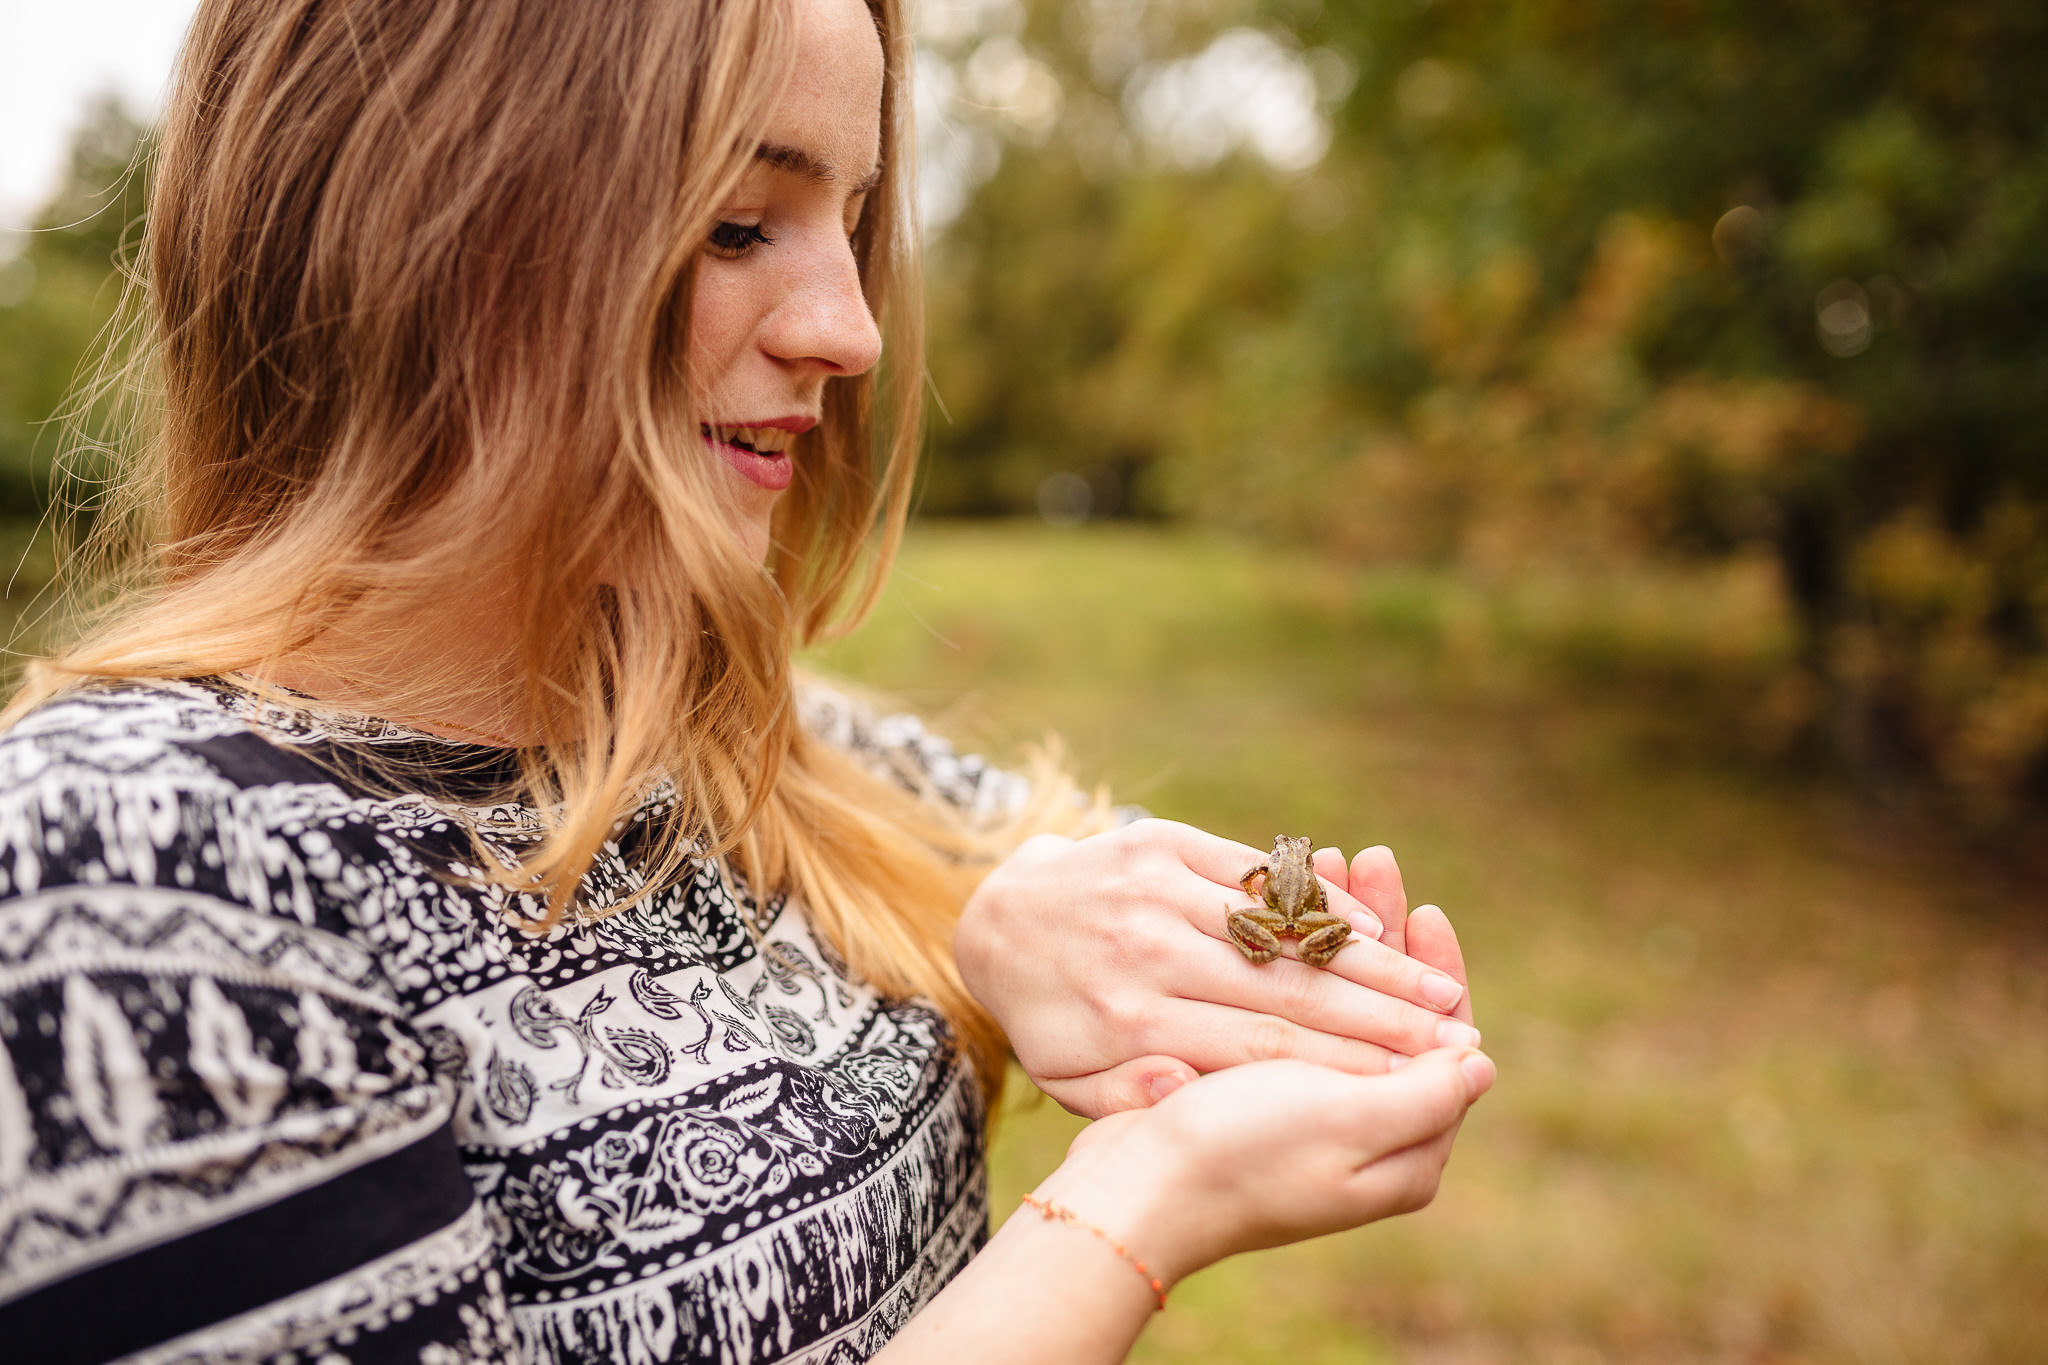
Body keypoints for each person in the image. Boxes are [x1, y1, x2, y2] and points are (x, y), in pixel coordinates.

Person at [0, 0, 1492, 1360]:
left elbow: (1066, 868)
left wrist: (1031, 903)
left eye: (848, 221)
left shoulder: (706, 725)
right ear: (416, 229)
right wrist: (1128, 1216)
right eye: (735, 224)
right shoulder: (127, 874)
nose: (850, 330)